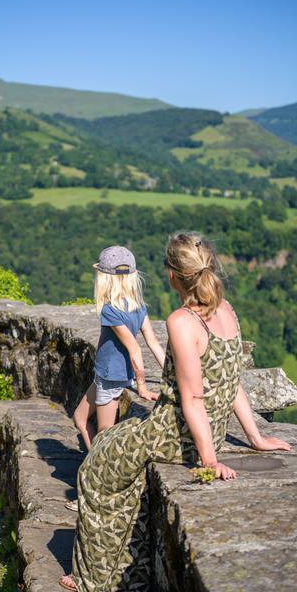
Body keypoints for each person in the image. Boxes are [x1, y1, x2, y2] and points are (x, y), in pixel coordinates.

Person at [59, 231, 291, 592]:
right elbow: (231, 381)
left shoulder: (183, 321)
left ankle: (93, 579)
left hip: (171, 434)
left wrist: (209, 461)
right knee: (115, 455)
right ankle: (129, 575)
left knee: (95, 470)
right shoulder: (226, 311)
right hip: (205, 432)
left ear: (171, 275)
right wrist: (255, 438)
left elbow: (193, 399)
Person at [65, 245, 165, 512]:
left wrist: (141, 387)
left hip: (110, 379)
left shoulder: (110, 310)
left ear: (105, 278)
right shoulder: (139, 307)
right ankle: (94, 473)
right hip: (105, 376)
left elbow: (135, 349)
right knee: (79, 418)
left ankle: (97, 492)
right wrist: (171, 374)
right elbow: (154, 343)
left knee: (104, 440)